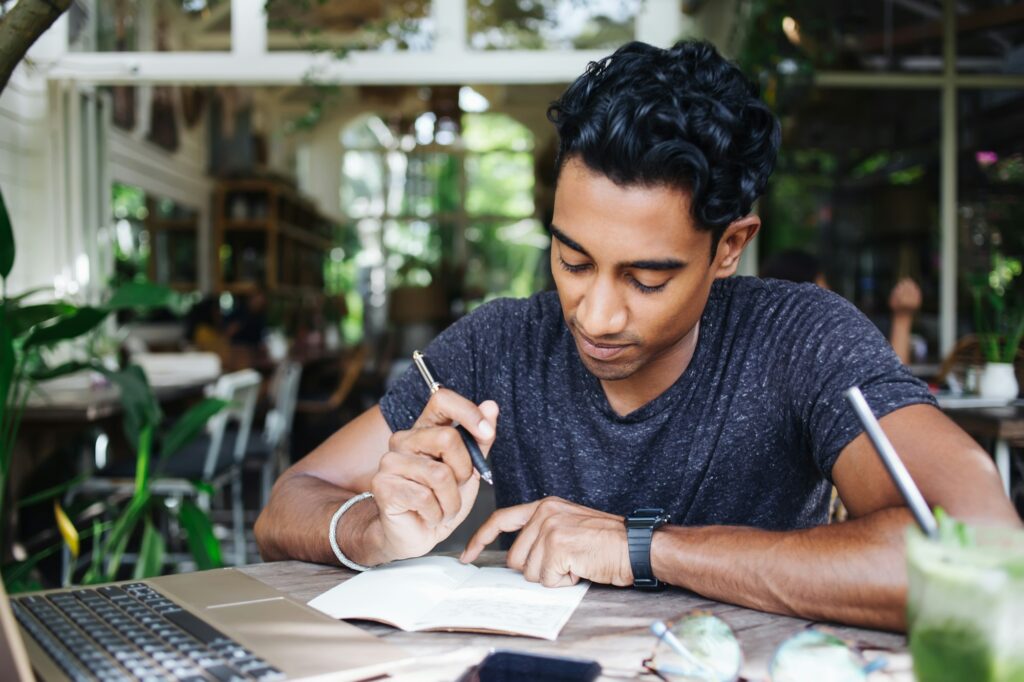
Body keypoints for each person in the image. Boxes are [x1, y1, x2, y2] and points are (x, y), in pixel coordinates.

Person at [255, 40, 1019, 631]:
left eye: (646, 280)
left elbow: (985, 555)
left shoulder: (800, 340)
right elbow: (288, 502)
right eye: (572, 259)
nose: (594, 314)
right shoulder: (498, 346)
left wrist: (642, 547)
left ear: (729, 246)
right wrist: (377, 532)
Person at [759, 249, 923, 364]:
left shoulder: (762, 349)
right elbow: (891, 394)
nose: (830, 295)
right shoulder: (817, 350)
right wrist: (903, 318)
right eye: (822, 287)